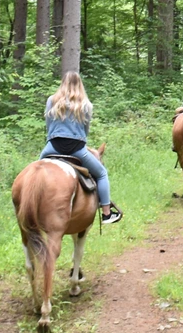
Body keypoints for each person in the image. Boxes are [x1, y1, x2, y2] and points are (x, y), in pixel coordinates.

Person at [40, 71, 123, 224]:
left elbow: (48, 125)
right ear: (80, 84)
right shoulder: (85, 104)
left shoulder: (51, 100)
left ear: (63, 83)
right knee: (102, 173)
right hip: (77, 149)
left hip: (53, 147)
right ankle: (106, 213)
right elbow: (85, 131)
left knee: (36, 170)